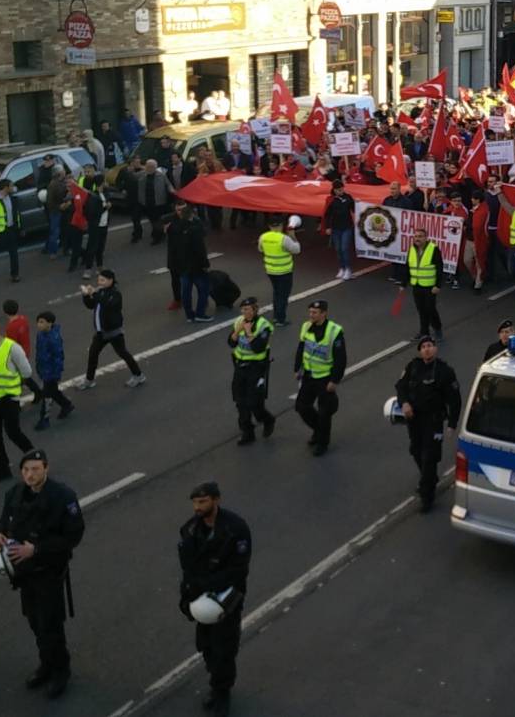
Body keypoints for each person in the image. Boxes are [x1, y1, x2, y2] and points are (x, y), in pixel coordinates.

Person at [0, 449, 84, 700]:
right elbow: (4, 524)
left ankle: (60, 671)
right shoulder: (15, 493)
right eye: (25, 470)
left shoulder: (63, 497)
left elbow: (73, 536)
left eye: (35, 469)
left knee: (50, 624)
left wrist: (37, 549)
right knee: (34, 621)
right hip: (24, 573)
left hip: (48, 571)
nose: (30, 474)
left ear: (46, 468)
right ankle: (46, 664)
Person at [177, 481, 251, 717]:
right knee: (206, 645)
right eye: (195, 502)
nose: (197, 507)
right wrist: (186, 596)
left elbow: (238, 570)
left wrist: (206, 584)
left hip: (226, 600)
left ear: (216, 500)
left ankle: (222, 691)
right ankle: (216, 683)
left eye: (203, 501)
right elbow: (188, 570)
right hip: (201, 600)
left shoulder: (235, 529)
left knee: (224, 649)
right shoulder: (190, 530)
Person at [395, 336, 462, 512]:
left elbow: (454, 399)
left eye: (430, 345)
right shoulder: (413, 366)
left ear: (435, 349)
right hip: (414, 419)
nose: (427, 349)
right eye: (423, 346)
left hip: (433, 420)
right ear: (420, 351)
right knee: (416, 450)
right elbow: (401, 386)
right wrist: (404, 403)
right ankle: (430, 478)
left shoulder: (444, 371)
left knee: (429, 457)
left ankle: (427, 496)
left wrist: (452, 424)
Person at [0, 316, 35, 485]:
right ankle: (3, 469)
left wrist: (12, 388)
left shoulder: (12, 348)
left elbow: (27, 372)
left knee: (13, 433)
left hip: (8, 399)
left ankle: (35, 458)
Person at [77, 269, 145, 389]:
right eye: (99, 280)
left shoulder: (115, 294)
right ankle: (89, 379)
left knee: (123, 353)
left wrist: (94, 293)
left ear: (111, 280)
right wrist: (86, 296)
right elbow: (91, 305)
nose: (100, 282)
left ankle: (138, 375)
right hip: (100, 332)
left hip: (113, 332)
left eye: (103, 280)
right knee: (93, 354)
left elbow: (107, 304)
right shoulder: (101, 292)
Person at [294, 300, 346, 456]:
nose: (311, 315)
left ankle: (322, 443)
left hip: (325, 377)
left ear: (324, 313)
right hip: (309, 375)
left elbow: (341, 359)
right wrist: (297, 368)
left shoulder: (334, 331)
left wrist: (334, 380)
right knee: (302, 407)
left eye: (314, 313)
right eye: (310, 312)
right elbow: (301, 348)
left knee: (325, 412)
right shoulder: (306, 326)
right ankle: (318, 429)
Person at [227, 297, 276, 445]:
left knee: (254, 402)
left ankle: (267, 419)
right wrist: (238, 331)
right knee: (240, 401)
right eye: (243, 310)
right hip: (240, 365)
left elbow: (258, 348)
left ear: (255, 310)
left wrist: (248, 332)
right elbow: (231, 343)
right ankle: (247, 432)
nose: (244, 312)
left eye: (247, 309)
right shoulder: (239, 322)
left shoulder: (263, 326)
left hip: (256, 367)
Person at [403, 228, 445, 341]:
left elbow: (439, 268)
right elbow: (408, 266)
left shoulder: (433, 249)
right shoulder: (412, 249)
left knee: (430, 309)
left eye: (420, 236)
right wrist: (403, 282)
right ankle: (424, 332)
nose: (417, 238)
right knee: (421, 309)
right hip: (417, 285)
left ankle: (438, 329)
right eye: (416, 236)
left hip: (430, 286)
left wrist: (438, 285)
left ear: (426, 238)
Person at [258, 214, 300, 327]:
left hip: (270, 270)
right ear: (281, 225)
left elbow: (260, 249)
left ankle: (276, 316)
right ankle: (280, 319)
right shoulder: (284, 238)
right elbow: (296, 250)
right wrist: (293, 236)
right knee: (283, 295)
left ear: (269, 226)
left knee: (277, 293)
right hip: (284, 271)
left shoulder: (263, 237)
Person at [33, 311, 73, 430]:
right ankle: (66, 405)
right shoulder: (40, 335)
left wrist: (56, 373)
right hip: (44, 369)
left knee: (47, 395)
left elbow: (58, 357)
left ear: (49, 323)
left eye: (42, 322)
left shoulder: (53, 339)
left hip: (51, 372)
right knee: (53, 391)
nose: (39, 324)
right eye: (38, 322)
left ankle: (44, 419)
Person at [177, 204, 214, 323]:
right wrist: (205, 264)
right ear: (192, 214)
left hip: (183, 265)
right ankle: (200, 313)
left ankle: (189, 315)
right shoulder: (195, 229)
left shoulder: (176, 227)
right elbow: (200, 249)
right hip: (196, 266)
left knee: (186, 291)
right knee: (204, 289)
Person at [3, 299, 44, 401]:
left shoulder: (11, 327)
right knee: (22, 375)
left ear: (5, 312)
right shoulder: (23, 319)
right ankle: (37, 392)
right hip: (25, 350)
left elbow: (11, 344)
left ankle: (16, 399)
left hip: (17, 355)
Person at [323, 179, 355, 280]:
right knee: (338, 249)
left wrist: (358, 203)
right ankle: (342, 268)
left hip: (347, 227)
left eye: (341, 189)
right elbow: (327, 214)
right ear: (334, 190)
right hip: (335, 228)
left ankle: (348, 269)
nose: (340, 191)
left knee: (344, 248)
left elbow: (354, 208)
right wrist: (328, 227)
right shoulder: (331, 200)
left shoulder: (348, 197)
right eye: (338, 190)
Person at [137, 159, 171, 246]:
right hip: (147, 202)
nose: (150, 168)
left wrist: (173, 191)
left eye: (152, 167)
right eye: (148, 167)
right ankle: (159, 233)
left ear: (155, 167)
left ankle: (157, 236)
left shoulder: (161, 175)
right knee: (152, 219)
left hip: (159, 202)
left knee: (158, 220)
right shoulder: (142, 175)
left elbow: (168, 185)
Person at [42, 164, 67, 257]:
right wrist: (59, 206)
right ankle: (52, 251)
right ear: (59, 172)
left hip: (63, 210)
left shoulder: (63, 181)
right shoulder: (53, 185)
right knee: (55, 232)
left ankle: (65, 248)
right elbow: (49, 202)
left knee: (63, 231)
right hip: (56, 212)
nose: (65, 171)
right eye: (63, 170)